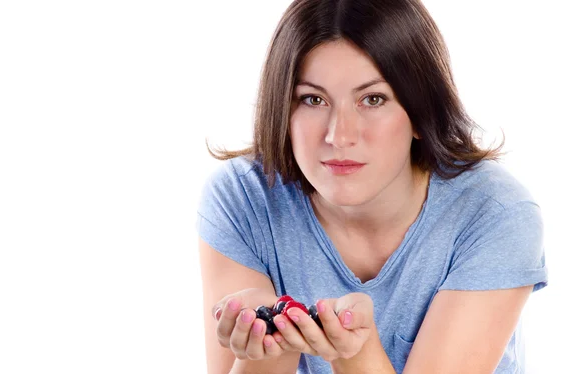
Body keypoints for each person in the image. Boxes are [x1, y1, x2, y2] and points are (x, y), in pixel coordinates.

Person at [195, 0, 548, 373]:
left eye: (372, 99)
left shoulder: (495, 214)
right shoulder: (242, 198)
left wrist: (355, 354)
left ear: (420, 113)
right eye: (313, 99)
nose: (339, 135)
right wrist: (270, 343)